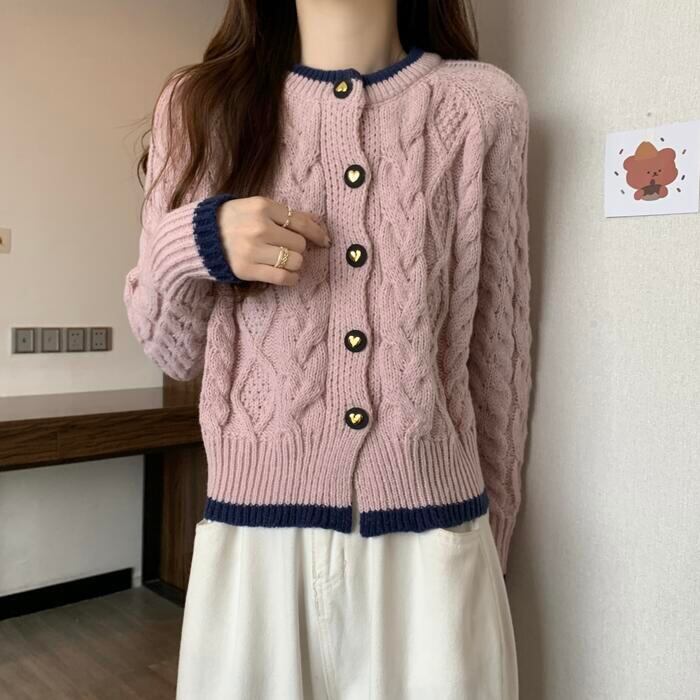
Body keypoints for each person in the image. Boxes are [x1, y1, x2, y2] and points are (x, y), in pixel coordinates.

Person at [123, 0, 533, 697]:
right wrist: (195, 242)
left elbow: (498, 358)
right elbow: (171, 351)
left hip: (433, 545)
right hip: (256, 546)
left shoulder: (482, 105)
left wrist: (484, 551)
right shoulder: (201, 105)